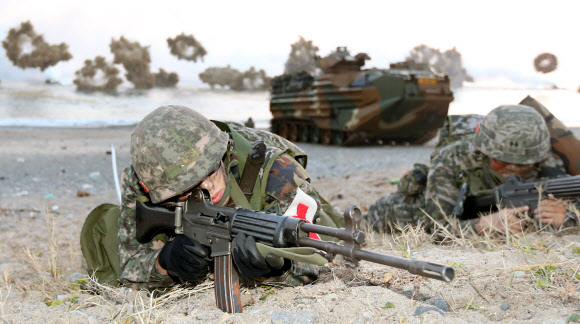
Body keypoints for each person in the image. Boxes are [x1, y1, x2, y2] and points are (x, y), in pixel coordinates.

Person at [118, 105, 344, 289]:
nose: (208, 188)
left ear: (222, 153)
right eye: (187, 188)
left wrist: (276, 270)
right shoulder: (149, 176)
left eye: (211, 171)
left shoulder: (279, 173)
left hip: (312, 216)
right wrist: (164, 263)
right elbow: (128, 268)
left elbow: (320, 258)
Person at [365, 105, 578, 235]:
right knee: (369, 218)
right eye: (501, 162)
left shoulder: (546, 161)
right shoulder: (452, 158)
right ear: (484, 152)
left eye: (523, 165)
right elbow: (434, 227)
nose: (511, 169)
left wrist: (567, 216)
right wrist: (482, 225)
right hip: (408, 212)